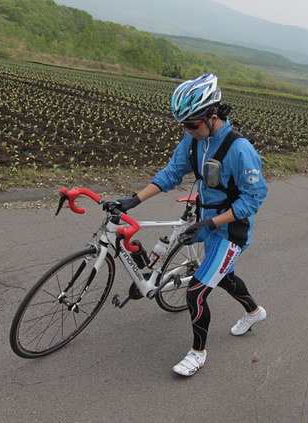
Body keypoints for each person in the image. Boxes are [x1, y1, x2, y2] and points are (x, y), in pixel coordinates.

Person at [104, 73, 268, 377]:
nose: (187, 131)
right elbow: (171, 173)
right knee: (224, 276)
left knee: (196, 292)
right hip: (206, 223)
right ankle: (254, 312)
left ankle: (197, 353)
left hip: (230, 230)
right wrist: (133, 200)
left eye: (192, 125)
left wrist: (211, 221)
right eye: (183, 125)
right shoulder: (194, 140)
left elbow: (254, 198)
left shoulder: (239, 149)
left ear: (212, 115)